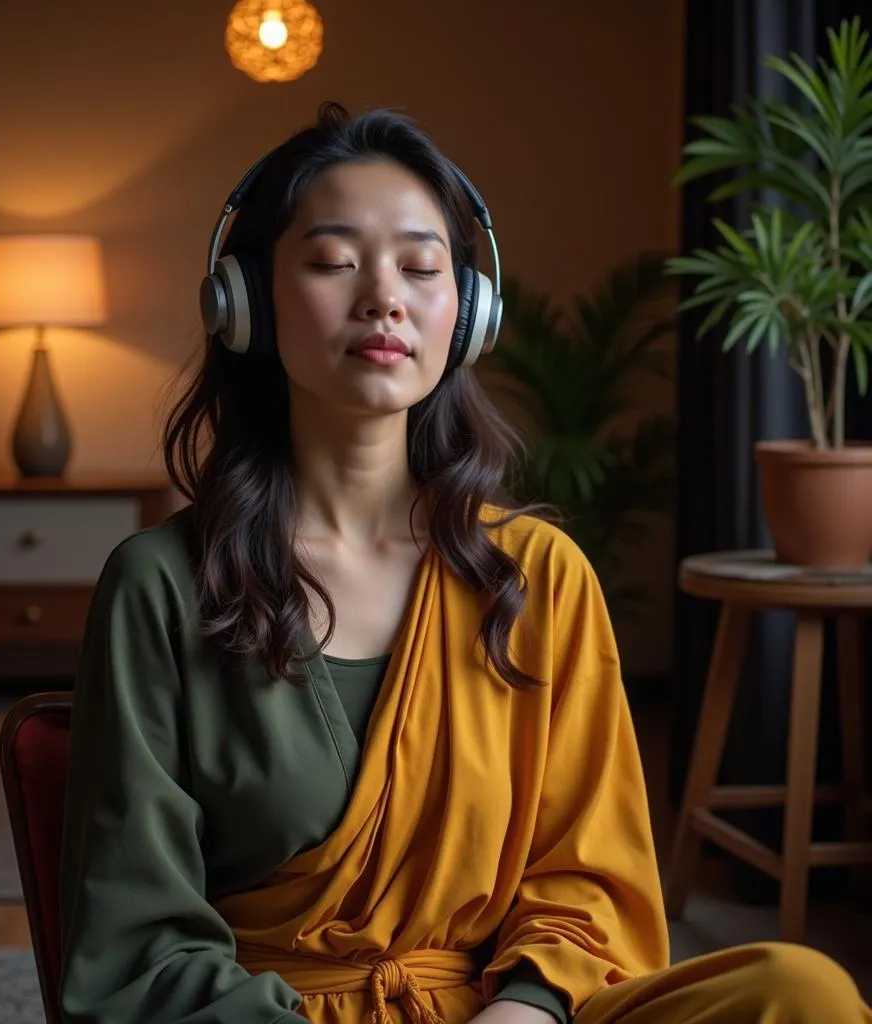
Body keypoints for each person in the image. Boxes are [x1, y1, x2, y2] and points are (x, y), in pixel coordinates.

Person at [57, 101, 870, 1024]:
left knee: (799, 993)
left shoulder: (537, 573)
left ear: (469, 313)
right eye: (332, 261)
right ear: (243, 301)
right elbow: (138, 941)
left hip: (509, 1018)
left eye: (422, 265)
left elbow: (590, 883)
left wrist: (522, 1011)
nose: (383, 297)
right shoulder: (161, 584)